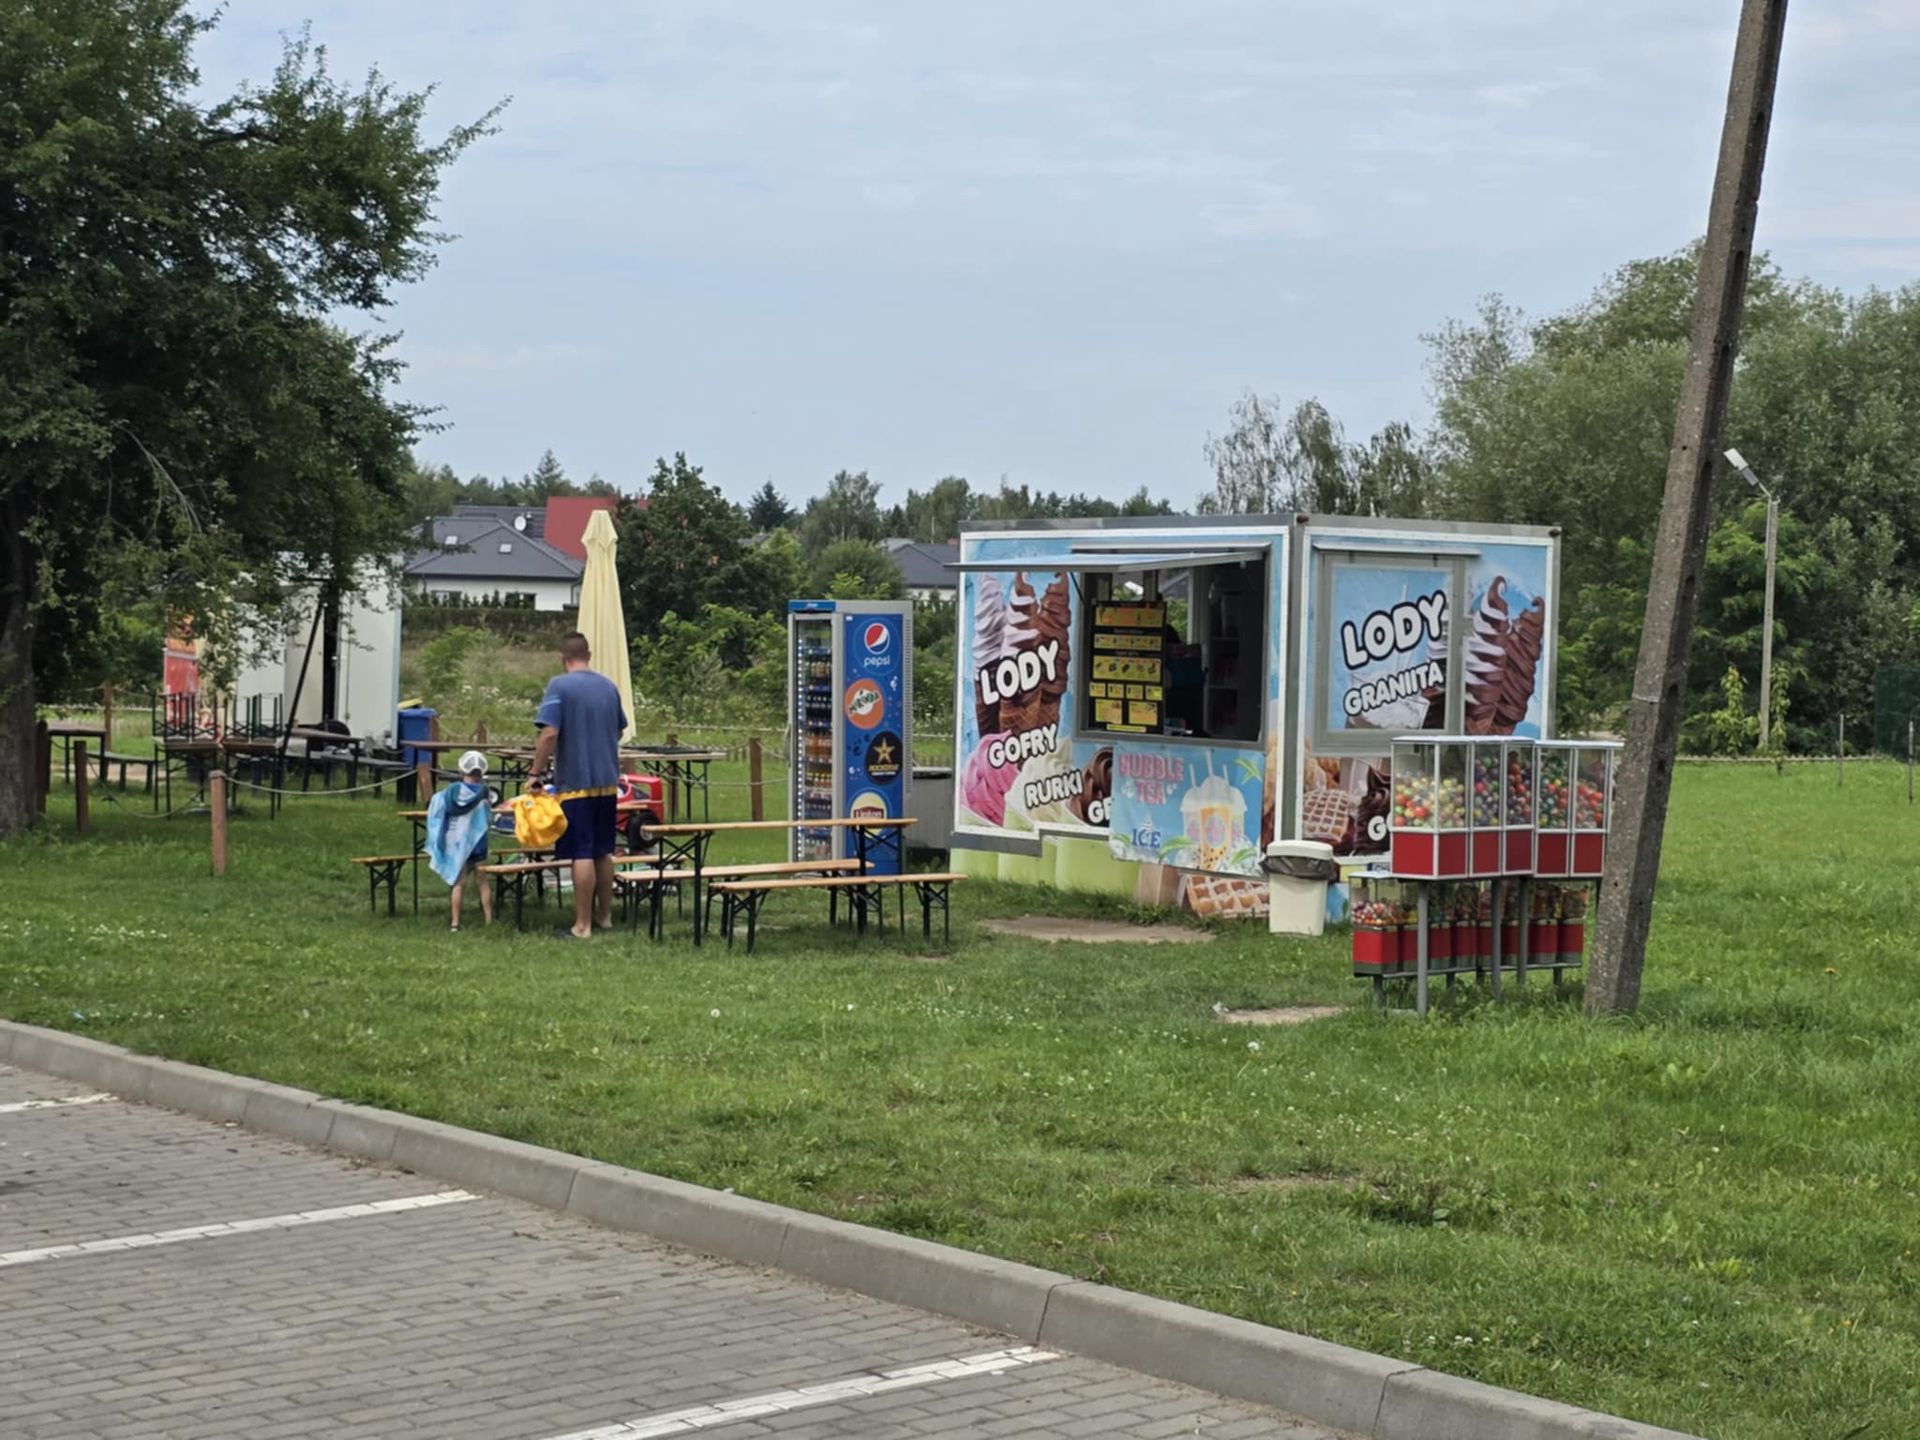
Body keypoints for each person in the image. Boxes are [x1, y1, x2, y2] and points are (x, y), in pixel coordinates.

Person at [530, 632, 627, 940]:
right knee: (603, 851)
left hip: (576, 783)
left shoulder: (560, 686)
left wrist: (535, 772)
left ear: (562, 657)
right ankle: (605, 917)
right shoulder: (609, 686)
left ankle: (582, 925)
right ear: (590, 654)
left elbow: (549, 733)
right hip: (607, 782)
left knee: (581, 851)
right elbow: (619, 730)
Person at [426, 750, 495, 931]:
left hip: (459, 843)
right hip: (479, 842)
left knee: (458, 883)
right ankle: (489, 920)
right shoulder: (485, 791)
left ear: (461, 770)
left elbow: (438, 806)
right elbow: (489, 817)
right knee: (483, 881)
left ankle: (455, 923)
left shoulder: (452, 792)